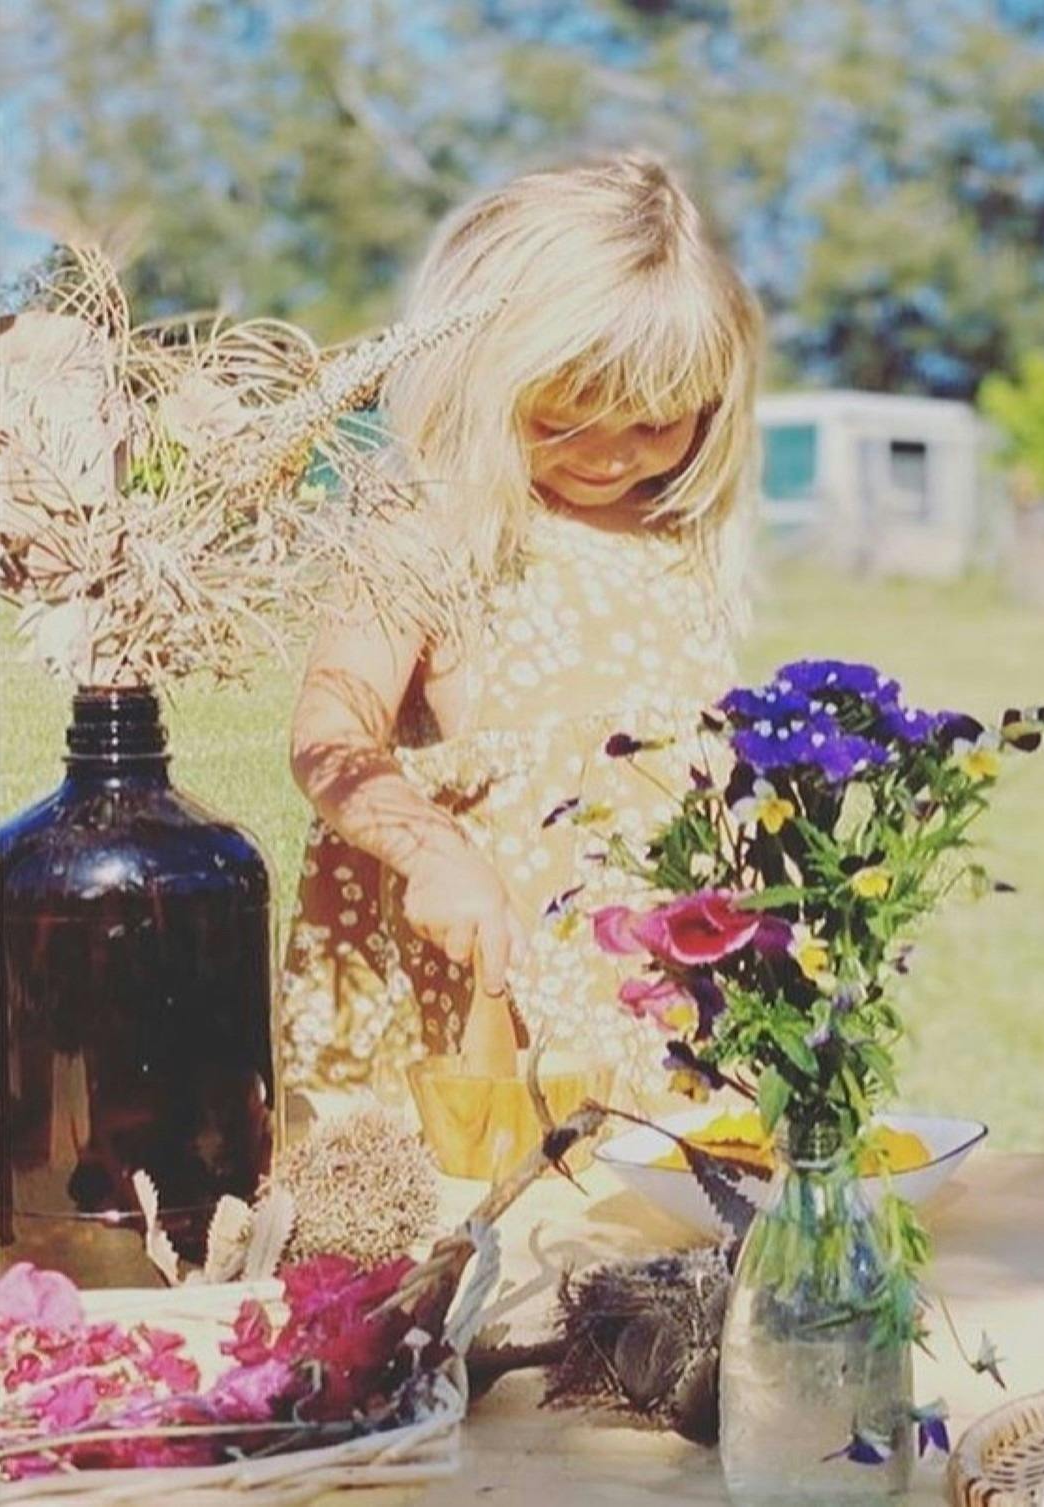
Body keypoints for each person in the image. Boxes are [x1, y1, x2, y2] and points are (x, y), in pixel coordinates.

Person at [279, 152, 763, 1119]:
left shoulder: (678, 545)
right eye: (566, 419)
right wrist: (432, 852)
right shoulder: (427, 529)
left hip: (665, 1013)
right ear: (486, 375)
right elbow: (326, 736)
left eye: (657, 425)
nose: (610, 454)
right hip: (487, 1007)